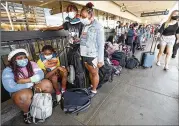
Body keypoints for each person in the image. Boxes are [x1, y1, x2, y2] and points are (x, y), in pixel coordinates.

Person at [2, 49, 53, 124]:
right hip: (20, 90)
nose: (23, 60)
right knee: (23, 96)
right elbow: (10, 87)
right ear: (13, 60)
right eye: (19, 58)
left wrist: (26, 80)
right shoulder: (8, 70)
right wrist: (29, 84)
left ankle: (45, 104)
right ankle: (27, 113)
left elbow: (40, 74)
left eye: (25, 57)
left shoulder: (31, 64)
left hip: (33, 85)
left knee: (47, 84)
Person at [80, 2, 105, 98]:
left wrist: (100, 60)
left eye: (84, 16)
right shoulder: (85, 26)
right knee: (90, 72)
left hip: (93, 55)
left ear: (91, 15)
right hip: (84, 53)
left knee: (94, 73)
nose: (82, 18)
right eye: (81, 16)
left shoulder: (98, 27)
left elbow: (100, 44)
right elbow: (85, 39)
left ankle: (94, 90)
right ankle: (92, 86)